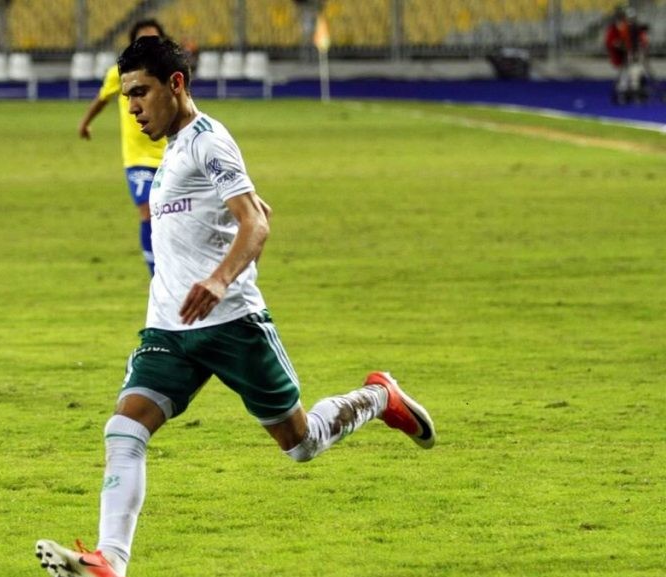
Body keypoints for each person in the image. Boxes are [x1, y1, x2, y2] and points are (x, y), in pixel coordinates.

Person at [35, 36, 436, 577]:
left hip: (232, 324)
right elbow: (249, 211)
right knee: (124, 428)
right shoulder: (172, 149)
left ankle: (378, 395)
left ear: (176, 84)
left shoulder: (208, 140)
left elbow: (256, 222)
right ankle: (109, 561)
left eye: (141, 93)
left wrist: (222, 279)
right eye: (127, 96)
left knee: (299, 443)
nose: (131, 108)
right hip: (169, 328)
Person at [77, 19, 168, 277]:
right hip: (137, 158)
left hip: (169, 154)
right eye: (143, 40)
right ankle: (156, 275)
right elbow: (102, 99)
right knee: (148, 210)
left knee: (171, 214)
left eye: (153, 39)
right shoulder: (120, 73)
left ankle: (174, 269)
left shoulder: (167, 73)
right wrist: (85, 123)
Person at [605, 5, 650, 104]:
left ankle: (636, 91)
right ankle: (623, 92)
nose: (631, 21)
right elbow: (618, 41)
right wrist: (622, 46)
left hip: (635, 53)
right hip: (628, 53)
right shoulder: (623, 28)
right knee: (625, 73)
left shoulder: (635, 29)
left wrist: (640, 48)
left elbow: (643, 41)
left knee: (637, 71)